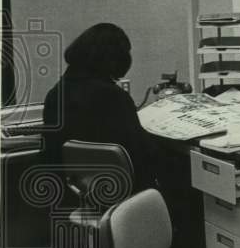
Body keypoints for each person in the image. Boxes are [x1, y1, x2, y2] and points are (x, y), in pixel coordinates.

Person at [43, 22, 156, 192]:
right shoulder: (112, 97)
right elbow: (142, 152)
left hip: (77, 190)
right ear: (114, 58)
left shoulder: (56, 93)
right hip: (123, 191)